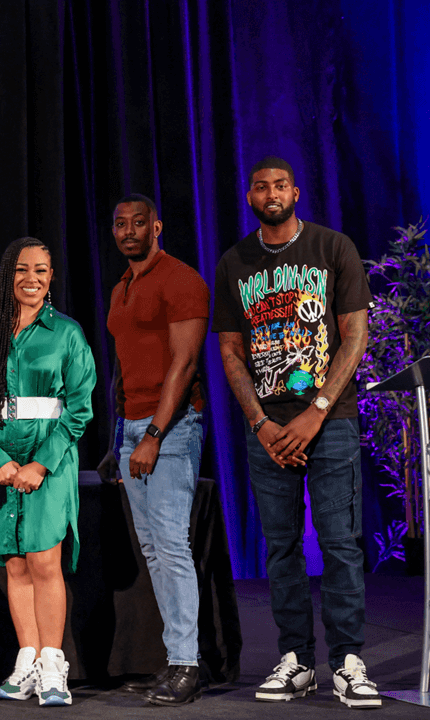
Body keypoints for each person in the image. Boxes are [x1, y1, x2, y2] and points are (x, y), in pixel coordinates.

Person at [214, 156, 379, 708]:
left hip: (330, 422)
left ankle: (348, 662)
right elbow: (231, 351)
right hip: (268, 428)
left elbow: (354, 335)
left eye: (280, 185)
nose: (271, 193)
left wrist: (317, 409)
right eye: (261, 187)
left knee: (339, 543)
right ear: (250, 197)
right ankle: (297, 660)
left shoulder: (333, 247)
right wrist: (260, 422)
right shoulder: (234, 262)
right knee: (281, 547)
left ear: (296, 192)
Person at [94, 194, 208, 705]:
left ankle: (187, 665)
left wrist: (154, 436)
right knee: (155, 551)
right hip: (133, 429)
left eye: (138, 223)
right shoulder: (122, 287)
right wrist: (117, 438)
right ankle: (176, 659)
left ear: (156, 227)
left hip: (173, 428)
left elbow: (184, 365)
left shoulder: (181, 280)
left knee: (172, 545)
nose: (129, 231)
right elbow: (123, 369)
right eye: (120, 224)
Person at [0, 237, 95, 707]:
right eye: (22, 269)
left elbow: (80, 409)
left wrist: (40, 463)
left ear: (51, 278)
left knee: (45, 561)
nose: (32, 278)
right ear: (8, 274)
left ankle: (53, 664)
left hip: (49, 461)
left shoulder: (66, 333)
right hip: (3, 462)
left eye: (41, 270)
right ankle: (27, 660)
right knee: (14, 563)